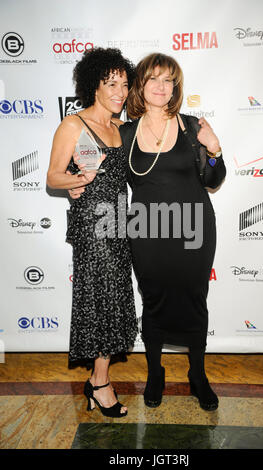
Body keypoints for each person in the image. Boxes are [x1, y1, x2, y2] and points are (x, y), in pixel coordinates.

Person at [70, 52, 226, 412]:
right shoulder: (124, 132)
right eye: (153, 79)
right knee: (153, 299)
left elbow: (213, 179)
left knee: (194, 298)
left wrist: (215, 150)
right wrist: (74, 185)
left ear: (175, 87)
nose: (161, 86)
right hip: (147, 231)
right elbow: (97, 176)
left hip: (193, 228)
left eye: (168, 80)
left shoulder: (191, 127)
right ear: (141, 86)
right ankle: (155, 373)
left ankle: (197, 375)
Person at [47, 47, 138, 418]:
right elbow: (53, 176)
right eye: (110, 83)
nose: (119, 91)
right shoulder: (73, 125)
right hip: (91, 227)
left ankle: (97, 381)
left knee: (115, 301)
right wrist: (75, 179)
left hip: (120, 224)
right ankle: (100, 384)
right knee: (101, 302)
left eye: (124, 84)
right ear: (94, 86)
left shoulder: (120, 127)